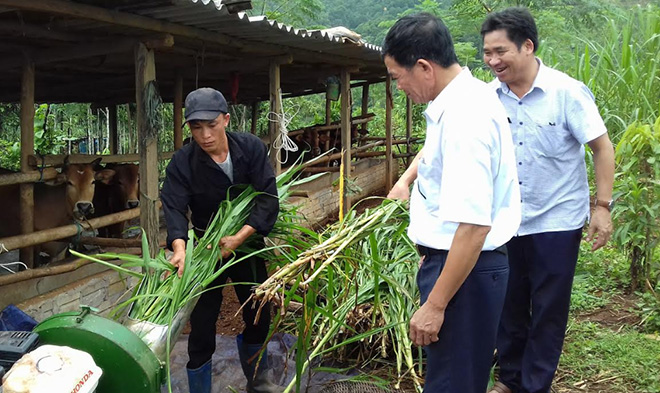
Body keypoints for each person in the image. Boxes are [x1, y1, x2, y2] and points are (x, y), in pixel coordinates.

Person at [382, 13, 521, 393]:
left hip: (465, 276)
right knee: (458, 378)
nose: (399, 88)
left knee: (453, 384)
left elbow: (474, 227)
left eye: (398, 78)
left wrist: (435, 305)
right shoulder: (462, 102)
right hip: (461, 269)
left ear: (424, 67)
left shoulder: (464, 118)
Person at [480, 8, 615, 393]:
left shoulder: (566, 93)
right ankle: (510, 380)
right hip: (505, 220)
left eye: (500, 51)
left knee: (548, 310)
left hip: (557, 221)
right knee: (509, 306)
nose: (492, 61)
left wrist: (601, 207)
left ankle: (535, 384)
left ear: (527, 46)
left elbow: (602, 149)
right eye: (487, 53)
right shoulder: (487, 98)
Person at [161, 87, 282, 393]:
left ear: (226, 120)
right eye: (196, 127)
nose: (204, 135)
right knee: (201, 325)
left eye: (211, 125)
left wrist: (240, 238)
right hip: (206, 250)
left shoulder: (251, 148)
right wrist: (179, 247)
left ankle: (260, 382)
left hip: (247, 244)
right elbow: (174, 206)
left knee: (257, 310)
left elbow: (267, 198)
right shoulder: (183, 162)